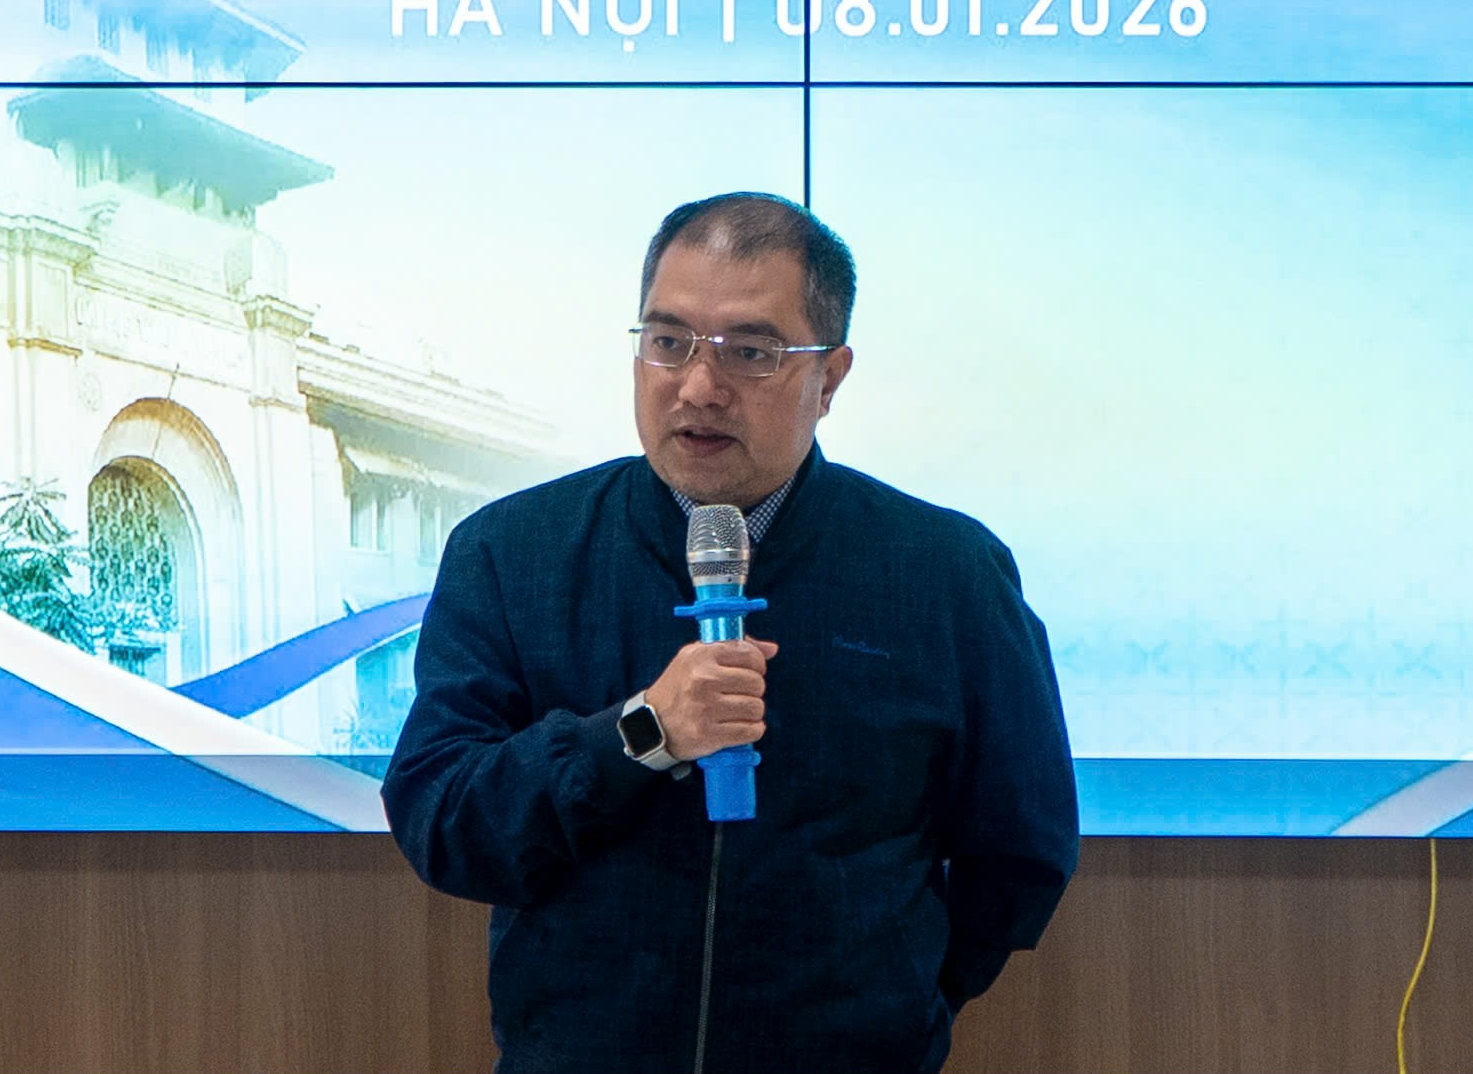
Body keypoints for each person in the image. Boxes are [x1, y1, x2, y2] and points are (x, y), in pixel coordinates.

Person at [383, 192, 1079, 1074]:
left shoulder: (948, 575)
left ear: (830, 377)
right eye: (668, 340)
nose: (699, 386)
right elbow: (442, 816)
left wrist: (898, 1006)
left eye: (751, 352)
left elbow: (1019, 850)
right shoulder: (513, 551)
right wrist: (639, 732)